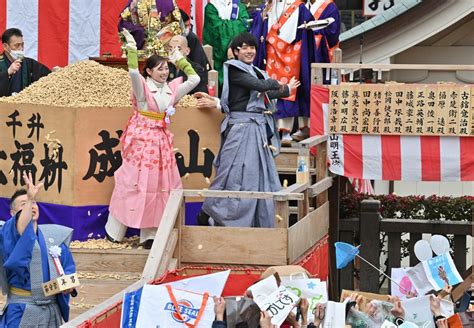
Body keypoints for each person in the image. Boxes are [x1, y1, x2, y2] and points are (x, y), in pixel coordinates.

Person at [105, 29, 199, 248]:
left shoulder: (172, 90)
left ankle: (150, 234)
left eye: (166, 68)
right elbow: (132, 73)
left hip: (160, 143)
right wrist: (131, 48)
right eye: (160, 68)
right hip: (140, 142)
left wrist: (180, 60)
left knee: (159, 186)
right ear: (149, 71)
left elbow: (194, 79)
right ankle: (114, 231)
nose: (164, 72)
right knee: (131, 183)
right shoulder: (143, 89)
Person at [197, 32, 300, 228]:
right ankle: (209, 212)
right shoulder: (235, 69)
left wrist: (285, 89)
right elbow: (260, 86)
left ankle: (254, 221)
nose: (249, 51)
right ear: (235, 52)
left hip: (258, 130)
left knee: (259, 176)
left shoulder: (255, 71)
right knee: (231, 174)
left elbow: (265, 91)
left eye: (252, 47)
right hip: (240, 129)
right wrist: (280, 84)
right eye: (244, 47)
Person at [0, 172, 76, 327]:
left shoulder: (54, 236)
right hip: (23, 308)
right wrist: (28, 198)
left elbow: (68, 268)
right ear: (12, 213)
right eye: (24, 204)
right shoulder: (8, 232)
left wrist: (68, 286)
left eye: (34, 203)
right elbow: (21, 228)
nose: (31, 206)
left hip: (51, 308)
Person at [250, 0, 317, 145]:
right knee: (270, 90)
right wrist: (263, 15)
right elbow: (257, 27)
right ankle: (269, 129)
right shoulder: (268, 5)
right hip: (271, 55)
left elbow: (306, 32)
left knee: (288, 92)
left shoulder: (300, 8)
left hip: (291, 55)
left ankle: (286, 132)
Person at [203, 0, 249, 89]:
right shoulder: (211, 7)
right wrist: (236, 24)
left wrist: (225, 25)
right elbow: (217, 30)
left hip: (239, 55)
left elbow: (245, 24)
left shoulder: (239, 6)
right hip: (218, 59)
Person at [0, 28, 50, 97]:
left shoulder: (29, 63)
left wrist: (57, 73)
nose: (21, 48)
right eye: (16, 45)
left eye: (22, 45)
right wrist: (8, 72)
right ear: (5, 46)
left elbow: (47, 76)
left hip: (23, 105)